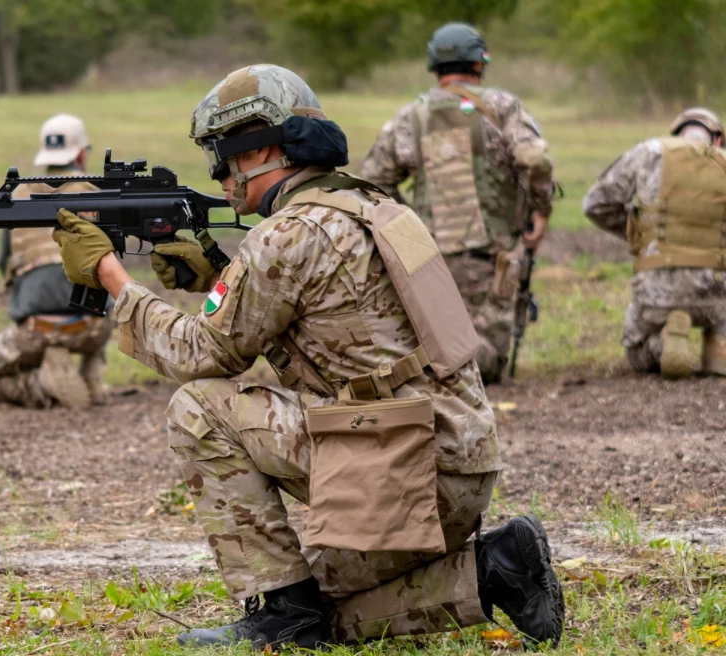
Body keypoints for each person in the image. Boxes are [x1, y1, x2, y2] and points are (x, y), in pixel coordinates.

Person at [49, 64, 564, 650]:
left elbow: (201, 354)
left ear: (260, 148)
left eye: (222, 155)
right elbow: (340, 320)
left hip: (404, 470)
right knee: (320, 611)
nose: (219, 174)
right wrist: (220, 277)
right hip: (455, 463)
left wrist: (110, 277)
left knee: (199, 408)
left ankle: (282, 611)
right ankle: (497, 566)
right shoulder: (376, 206)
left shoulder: (288, 235)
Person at [362, 22, 555, 384]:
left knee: (447, 343)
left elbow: (372, 181)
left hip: (426, 259)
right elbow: (535, 160)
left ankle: (430, 358)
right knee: (487, 364)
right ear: (479, 64)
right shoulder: (502, 107)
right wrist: (540, 209)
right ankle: (450, 361)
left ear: (435, 67)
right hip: (492, 258)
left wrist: (409, 234)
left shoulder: (410, 117)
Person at [582, 108, 726, 379]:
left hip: (659, 292)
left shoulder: (649, 152)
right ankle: (718, 343)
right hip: (718, 292)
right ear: (717, 140)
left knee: (636, 350)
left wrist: (643, 235)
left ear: (676, 135)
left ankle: (663, 340)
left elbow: (595, 204)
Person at [0, 113, 114, 409]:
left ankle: (41, 382)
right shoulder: (96, 195)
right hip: (91, 329)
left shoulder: (17, 197)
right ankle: (91, 375)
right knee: (103, 292)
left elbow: (5, 264)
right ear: (80, 154)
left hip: (36, 329)